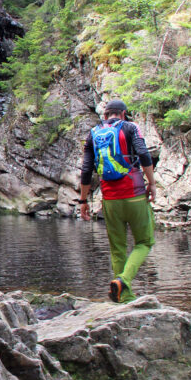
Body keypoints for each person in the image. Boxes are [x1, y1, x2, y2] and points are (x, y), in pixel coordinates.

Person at [78, 99, 156, 303]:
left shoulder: (93, 134)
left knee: (117, 248)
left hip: (110, 200)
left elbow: (86, 170)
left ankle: (124, 296)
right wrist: (152, 183)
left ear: (105, 116)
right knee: (144, 242)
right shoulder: (130, 127)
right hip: (135, 195)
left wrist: (83, 200)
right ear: (123, 114)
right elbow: (144, 155)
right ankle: (124, 280)